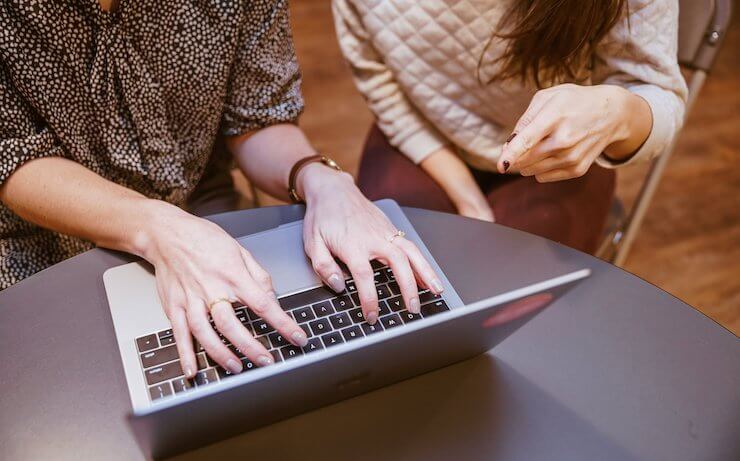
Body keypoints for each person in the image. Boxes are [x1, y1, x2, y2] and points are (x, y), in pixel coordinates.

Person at [0, 1, 445, 377]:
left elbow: (257, 116)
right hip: (40, 246)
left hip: (197, 203)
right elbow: (13, 157)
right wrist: (157, 227)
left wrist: (322, 178)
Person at [333, 0, 687, 253]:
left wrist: (618, 113)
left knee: (510, 311)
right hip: (422, 134)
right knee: (393, 286)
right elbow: (380, 80)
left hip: (554, 157)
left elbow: (656, 92)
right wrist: (467, 197)